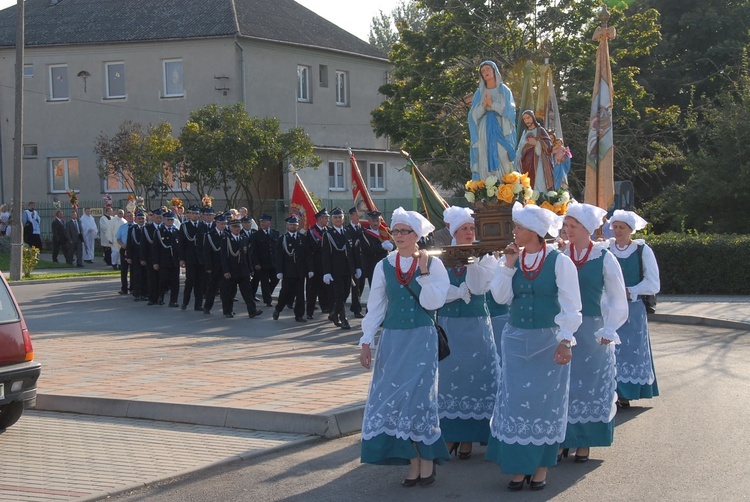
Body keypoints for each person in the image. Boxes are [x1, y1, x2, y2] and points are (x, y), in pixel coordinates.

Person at [488, 202, 582, 492]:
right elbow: (501, 297)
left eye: (518, 227)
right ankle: (518, 467)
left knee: (545, 403)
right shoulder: (512, 259)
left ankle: (540, 466)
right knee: (515, 401)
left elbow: (571, 304)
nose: (513, 231)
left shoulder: (559, 261)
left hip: (548, 340)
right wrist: (508, 266)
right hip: (515, 338)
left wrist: (566, 340)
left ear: (535, 232)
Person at [359, 207, 451, 486]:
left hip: (422, 339)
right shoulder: (384, 265)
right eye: (395, 231)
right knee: (396, 401)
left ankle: (427, 460)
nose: (398, 236)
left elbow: (434, 302)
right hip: (394, 340)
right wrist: (366, 341)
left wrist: (423, 273)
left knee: (420, 400)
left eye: (404, 231)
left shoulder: (434, 265)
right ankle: (413, 461)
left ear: (416, 235)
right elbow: (375, 306)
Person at [558, 202, 628, 464]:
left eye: (573, 226)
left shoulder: (603, 257)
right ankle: (565, 437)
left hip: (592, 329)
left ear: (587, 228)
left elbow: (617, 296)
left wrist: (610, 327)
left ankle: (585, 440)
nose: (568, 230)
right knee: (564, 383)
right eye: (566, 225)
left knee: (588, 384)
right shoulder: (560, 255)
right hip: (565, 328)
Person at [437, 206, 498, 460]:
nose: (470, 232)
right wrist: (459, 293)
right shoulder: (441, 256)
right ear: (454, 231)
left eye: (472, 228)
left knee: (477, 375)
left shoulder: (486, 255)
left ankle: (473, 437)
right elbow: (437, 289)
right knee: (451, 378)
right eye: (464, 229)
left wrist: (473, 261)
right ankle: (452, 434)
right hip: (450, 325)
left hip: (476, 325)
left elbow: (480, 286)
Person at [608, 210, 661, 407]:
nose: (617, 230)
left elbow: (653, 283)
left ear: (631, 229)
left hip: (633, 308)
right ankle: (612, 390)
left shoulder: (642, 250)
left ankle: (626, 393)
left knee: (631, 350)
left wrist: (632, 291)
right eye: (615, 226)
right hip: (610, 307)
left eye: (622, 227)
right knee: (610, 348)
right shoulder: (606, 248)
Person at [469, 60, 517, 181]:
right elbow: (473, 116)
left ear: (494, 71)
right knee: (484, 157)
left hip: (501, 128)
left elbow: (510, 111)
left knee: (503, 154)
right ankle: (488, 188)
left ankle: (505, 186)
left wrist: (493, 104)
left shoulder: (504, 91)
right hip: (484, 129)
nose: (485, 72)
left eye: (488, 69)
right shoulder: (478, 94)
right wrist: (484, 105)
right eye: (483, 71)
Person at [322, 207, 361, 330]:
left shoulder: (348, 232)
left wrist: (357, 267)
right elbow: (325, 255)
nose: (338, 219)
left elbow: (354, 251)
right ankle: (343, 320)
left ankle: (334, 313)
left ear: (343, 219)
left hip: (348, 269)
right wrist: (327, 272)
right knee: (339, 295)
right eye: (335, 218)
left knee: (346, 294)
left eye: (340, 217)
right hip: (335, 270)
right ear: (332, 220)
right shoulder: (328, 234)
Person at [220, 219, 262, 319]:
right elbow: (223, 257)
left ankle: (252, 311)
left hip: (243, 270)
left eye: (238, 227)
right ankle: (228, 311)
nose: (237, 229)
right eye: (235, 227)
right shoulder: (226, 239)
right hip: (231, 270)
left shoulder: (244, 239)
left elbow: (247, 255)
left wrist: (250, 269)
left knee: (247, 293)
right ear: (230, 228)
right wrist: (226, 271)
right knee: (230, 293)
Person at [272, 216, 308, 322]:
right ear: (287, 225)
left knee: (300, 294)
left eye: (295, 224)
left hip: (300, 271)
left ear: (298, 225)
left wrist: (309, 269)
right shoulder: (282, 239)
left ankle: (299, 315)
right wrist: (279, 271)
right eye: (291, 224)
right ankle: (278, 309)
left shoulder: (302, 238)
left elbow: (306, 256)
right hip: (288, 272)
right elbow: (278, 257)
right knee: (286, 293)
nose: (293, 226)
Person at [516, 110, 555, 192]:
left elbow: (549, 146)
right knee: (528, 186)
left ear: (533, 118)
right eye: (524, 119)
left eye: (528, 118)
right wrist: (517, 158)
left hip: (539, 164)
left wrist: (536, 143)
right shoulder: (525, 132)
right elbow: (520, 148)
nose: (527, 121)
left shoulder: (540, 130)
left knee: (540, 184)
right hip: (526, 164)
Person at [306, 209, 332, 319]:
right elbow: (309, 251)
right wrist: (310, 268)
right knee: (313, 289)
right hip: (315, 265)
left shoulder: (329, 231)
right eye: (325, 218)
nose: (327, 220)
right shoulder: (311, 232)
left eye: (327, 218)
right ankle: (309, 311)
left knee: (326, 288)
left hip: (326, 265)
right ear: (319, 219)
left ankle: (326, 307)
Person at [178, 205, 204, 311]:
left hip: (201, 258)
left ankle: (198, 305)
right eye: (193, 213)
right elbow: (181, 244)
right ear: (189, 214)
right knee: (190, 281)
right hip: (190, 257)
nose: (195, 215)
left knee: (200, 282)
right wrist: (182, 258)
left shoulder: (202, 226)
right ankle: (185, 302)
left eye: (197, 213)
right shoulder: (184, 226)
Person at [358, 211, 393, 291]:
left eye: (377, 220)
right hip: (372, 266)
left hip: (385, 265)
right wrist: (381, 246)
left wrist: (392, 246)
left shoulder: (386, 232)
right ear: (369, 221)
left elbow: (395, 243)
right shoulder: (365, 234)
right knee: (375, 290)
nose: (375, 223)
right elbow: (367, 250)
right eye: (373, 221)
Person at [153, 211, 181, 307]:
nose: (170, 221)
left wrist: (181, 259)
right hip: (163, 261)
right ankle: (160, 297)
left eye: (172, 220)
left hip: (175, 261)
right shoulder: (159, 232)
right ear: (164, 220)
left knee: (175, 282)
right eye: (168, 219)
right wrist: (155, 262)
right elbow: (155, 248)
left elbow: (179, 247)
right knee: (163, 280)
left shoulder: (176, 231)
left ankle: (174, 300)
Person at [250, 215, 279, 307]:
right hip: (262, 263)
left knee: (275, 279)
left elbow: (278, 248)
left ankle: (268, 293)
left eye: (264, 222)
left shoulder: (275, 233)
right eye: (261, 222)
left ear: (269, 223)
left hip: (274, 263)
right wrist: (256, 263)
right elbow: (253, 251)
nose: (262, 223)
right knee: (264, 282)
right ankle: (267, 300)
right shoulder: (256, 235)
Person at [202, 214, 227, 315]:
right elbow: (206, 252)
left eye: (225, 223)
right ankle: (207, 307)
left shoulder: (227, 234)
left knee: (226, 289)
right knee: (212, 288)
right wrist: (208, 266)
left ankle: (227, 310)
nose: (223, 225)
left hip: (224, 266)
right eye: (221, 223)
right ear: (216, 223)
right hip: (214, 266)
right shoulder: (210, 235)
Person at [345, 207, 365, 318]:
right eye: (356, 215)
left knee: (360, 286)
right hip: (352, 263)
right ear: (352, 216)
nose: (358, 217)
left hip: (362, 263)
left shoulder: (363, 229)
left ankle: (354, 305)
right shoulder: (347, 230)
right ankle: (357, 309)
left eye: (360, 215)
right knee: (354, 288)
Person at [126, 211, 148, 301]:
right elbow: (129, 243)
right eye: (139, 218)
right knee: (136, 275)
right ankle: (137, 293)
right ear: (135, 219)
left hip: (146, 256)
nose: (141, 220)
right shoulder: (132, 229)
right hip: (135, 256)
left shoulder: (148, 228)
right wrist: (129, 257)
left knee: (146, 275)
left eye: (142, 218)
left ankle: (145, 293)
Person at [115, 210, 135, 294]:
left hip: (133, 249)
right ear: (125, 217)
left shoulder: (136, 226)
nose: (130, 217)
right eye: (128, 216)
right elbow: (118, 238)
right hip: (124, 248)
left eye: (131, 216)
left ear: (134, 217)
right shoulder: (122, 227)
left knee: (133, 270)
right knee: (124, 269)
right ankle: (124, 288)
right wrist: (122, 244)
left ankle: (133, 288)